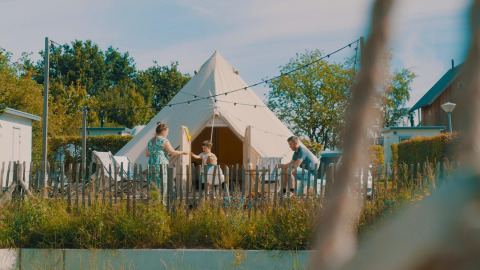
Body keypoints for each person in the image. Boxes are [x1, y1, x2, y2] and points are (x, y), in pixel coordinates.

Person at [146, 122, 188, 201]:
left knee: (153, 183)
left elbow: (147, 154)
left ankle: (154, 201)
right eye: (167, 132)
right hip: (161, 163)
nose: (167, 134)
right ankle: (162, 202)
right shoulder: (163, 140)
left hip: (151, 163)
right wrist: (183, 152)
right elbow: (173, 152)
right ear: (163, 131)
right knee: (162, 182)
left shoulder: (150, 141)